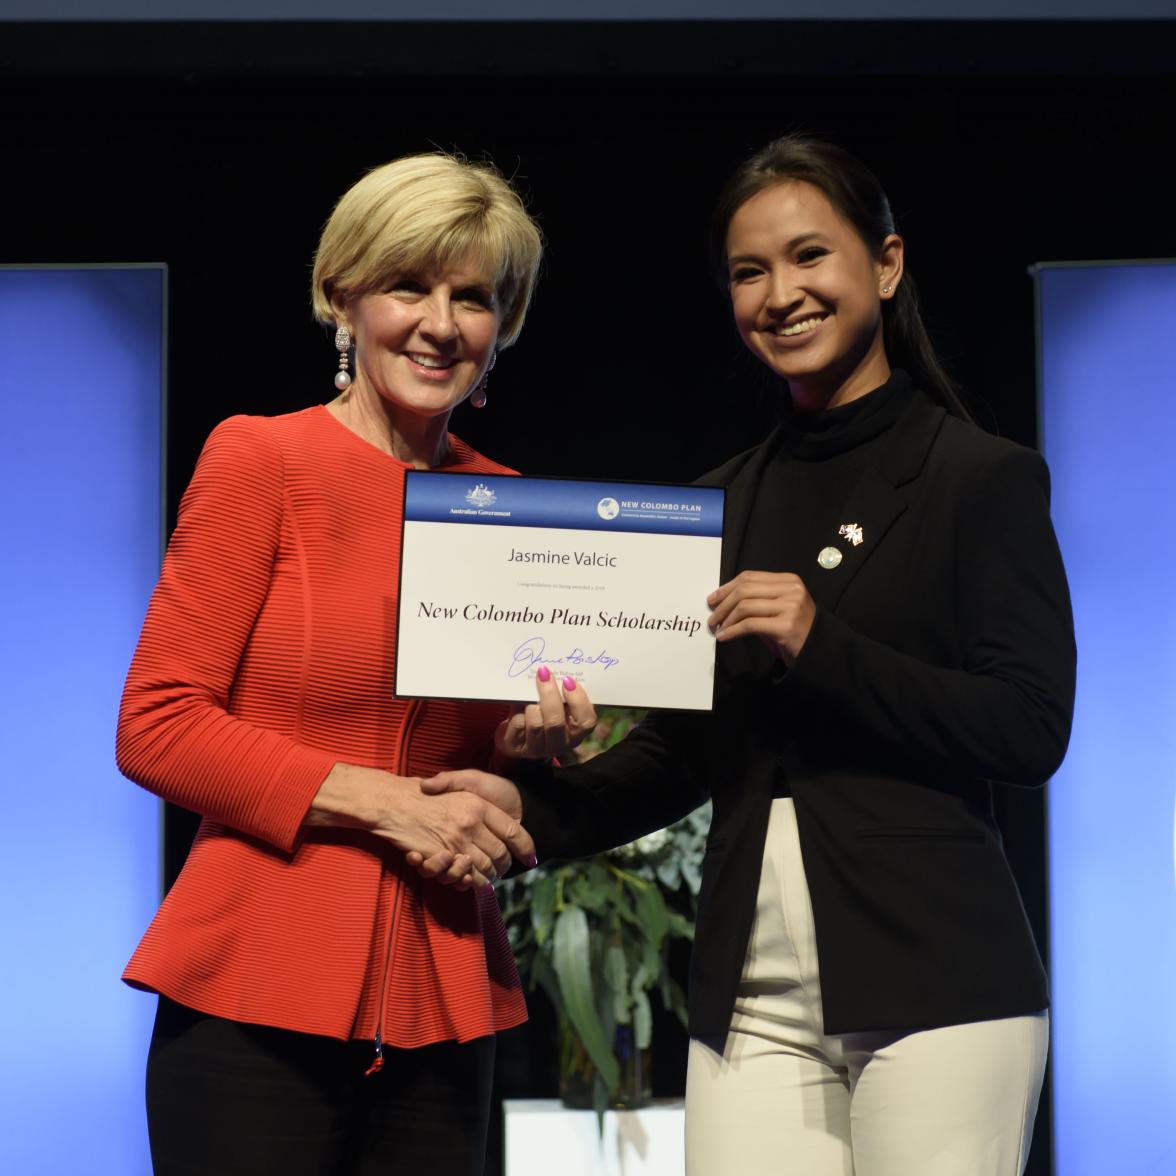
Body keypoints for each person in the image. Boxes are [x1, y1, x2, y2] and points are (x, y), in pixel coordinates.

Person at [421, 134, 1076, 1175]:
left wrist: (824, 643)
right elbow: (687, 754)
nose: (782, 293)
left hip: (938, 988)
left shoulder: (976, 478)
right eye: (749, 271)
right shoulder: (717, 502)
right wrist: (527, 812)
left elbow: (1029, 726)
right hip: (747, 1003)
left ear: (887, 264)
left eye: (811, 256)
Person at [116, 151, 595, 1176]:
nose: (441, 321)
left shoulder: (510, 503)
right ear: (345, 296)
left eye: (474, 297)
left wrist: (527, 749)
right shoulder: (262, 459)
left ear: (501, 325)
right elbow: (157, 723)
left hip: (442, 996)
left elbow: (478, 773)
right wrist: (385, 803)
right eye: (409, 285)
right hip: (253, 985)